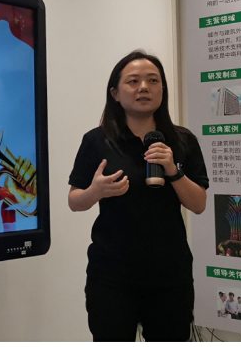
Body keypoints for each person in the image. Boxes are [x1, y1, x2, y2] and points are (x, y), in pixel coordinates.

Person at [68, 50, 209, 342]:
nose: (144, 87)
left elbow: (198, 204)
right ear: (115, 93)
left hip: (170, 273)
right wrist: (95, 191)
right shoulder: (97, 141)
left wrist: (173, 171)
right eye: (133, 81)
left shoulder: (183, 140)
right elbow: (74, 201)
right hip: (112, 274)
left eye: (153, 80)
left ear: (162, 90)